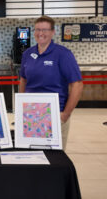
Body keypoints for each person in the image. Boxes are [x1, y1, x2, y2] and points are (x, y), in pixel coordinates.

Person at [19, 16, 83, 150]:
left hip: (54, 113)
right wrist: (21, 107)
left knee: (54, 157)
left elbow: (77, 84)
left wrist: (66, 114)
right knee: (31, 154)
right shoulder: (28, 54)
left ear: (53, 32)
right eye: (38, 29)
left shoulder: (63, 54)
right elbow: (23, 80)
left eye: (45, 30)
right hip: (31, 113)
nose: (41, 33)